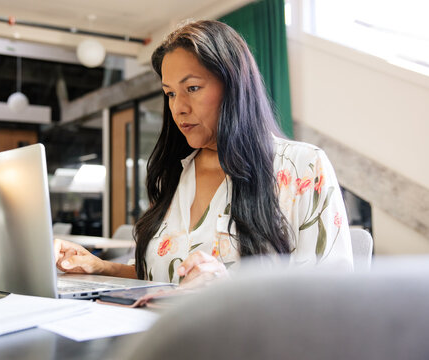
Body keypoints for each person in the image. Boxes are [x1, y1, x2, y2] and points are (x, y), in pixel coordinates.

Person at [55, 20, 353, 287]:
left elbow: (332, 294)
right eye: (170, 93)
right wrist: (99, 267)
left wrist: (228, 289)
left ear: (234, 86)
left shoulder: (302, 167)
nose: (178, 107)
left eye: (193, 88)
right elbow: (163, 279)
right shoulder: (177, 172)